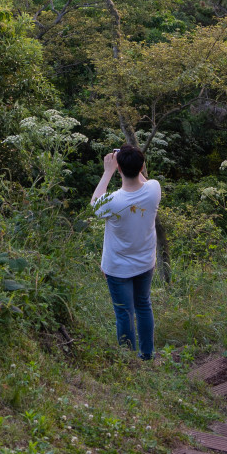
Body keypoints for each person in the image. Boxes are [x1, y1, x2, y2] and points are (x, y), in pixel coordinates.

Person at [90, 144, 161, 361]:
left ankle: (128, 361)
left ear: (119, 169)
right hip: (145, 262)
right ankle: (147, 355)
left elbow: (94, 204)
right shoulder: (154, 189)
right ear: (142, 167)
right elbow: (142, 181)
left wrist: (108, 171)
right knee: (143, 306)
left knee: (124, 313)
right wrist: (129, 163)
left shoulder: (112, 202)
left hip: (118, 267)